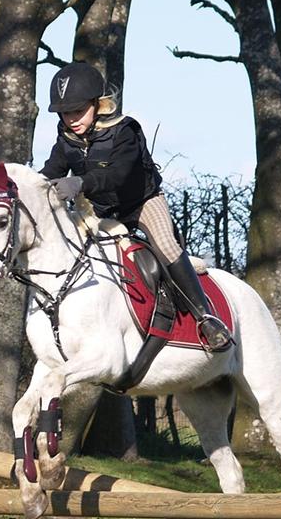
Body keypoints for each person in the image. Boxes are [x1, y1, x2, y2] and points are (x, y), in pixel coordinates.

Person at [39, 61, 232, 351]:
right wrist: (27, 188)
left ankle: (206, 317)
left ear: (98, 103)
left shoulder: (124, 131)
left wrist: (78, 183)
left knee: (166, 245)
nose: (71, 119)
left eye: (78, 111)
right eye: (65, 113)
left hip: (142, 203)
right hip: (102, 212)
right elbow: (50, 171)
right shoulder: (66, 138)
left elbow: (117, 176)